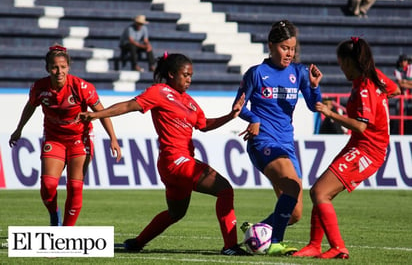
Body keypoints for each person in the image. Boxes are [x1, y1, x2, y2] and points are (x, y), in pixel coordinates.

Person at [77, 53, 250, 256]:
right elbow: (128, 105)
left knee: (176, 213)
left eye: (191, 75)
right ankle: (230, 246)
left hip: (173, 166)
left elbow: (204, 125)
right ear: (171, 74)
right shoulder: (159, 92)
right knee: (225, 190)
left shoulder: (190, 102)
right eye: (185, 75)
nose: (189, 79)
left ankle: (136, 243)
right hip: (177, 161)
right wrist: (96, 114)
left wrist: (231, 116)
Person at [293, 37, 400, 259]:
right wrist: (380, 105)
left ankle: (338, 247)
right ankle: (314, 245)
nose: (341, 68)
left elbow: (361, 126)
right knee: (320, 191)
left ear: (351, 61)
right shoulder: (374, 78)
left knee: (319, 192)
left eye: (342, 63)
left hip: (368, 149)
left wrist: (331, 113)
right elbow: (395, 90)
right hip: (362, 145)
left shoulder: (364, 88)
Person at [233, 20, 323, 256]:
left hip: (286, 144)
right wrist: (253, 118)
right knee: (293, 187)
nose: (290, 53)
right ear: (271, 46)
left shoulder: (300, 72)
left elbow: (315, 106)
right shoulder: (256, 73)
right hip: (262, 142)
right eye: (284, 48)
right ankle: (274, 242)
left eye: (292, 48)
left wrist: (314, 87)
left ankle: (256, 232)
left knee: (294, 214)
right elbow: (238, 107)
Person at [9, 44, 122, 226]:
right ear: (47, 68)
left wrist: (113, 139)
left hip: (79, 139)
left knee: (75, 186)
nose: (58, 71)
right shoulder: (39, 87)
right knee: (48, 185)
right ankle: (54, 215)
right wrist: (19, 128)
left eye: (62, 67)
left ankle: (65, 234)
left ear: (68, 67)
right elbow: (31, 106)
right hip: (55, 139)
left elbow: (101, 112)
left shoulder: (82, 87)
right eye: (54, 67)